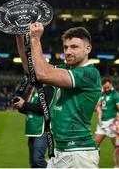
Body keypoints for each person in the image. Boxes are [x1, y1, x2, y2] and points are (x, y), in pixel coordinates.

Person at [28, 22, 102, 168]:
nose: (68, 51)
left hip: (79, 154)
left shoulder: (89, 74)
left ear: (88, 49)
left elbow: (42, 74)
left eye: (74, 47)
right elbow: (33, 71)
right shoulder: (66, 68)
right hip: (61, 150)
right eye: (66, 47)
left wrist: (36, 39)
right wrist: (19, 36)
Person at [14, 35, 55, 168]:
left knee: (38, 160)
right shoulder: (34, 88)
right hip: (33, 128)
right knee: (33, 163)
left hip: (43, 130)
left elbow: (43, 108)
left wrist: (24, 104)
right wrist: (20, 106)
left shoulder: (48, 86)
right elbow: (31, 110)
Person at [95, 77, 119, 147]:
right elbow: (95, 108)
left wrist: (118, 123)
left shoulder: (115, 94)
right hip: (101, 124)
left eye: (108, 87)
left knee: (117, 146)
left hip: (111, 123)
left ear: (111, 84)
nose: (107, 89)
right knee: (95, 144)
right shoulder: (102, 94)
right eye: (105, 88)